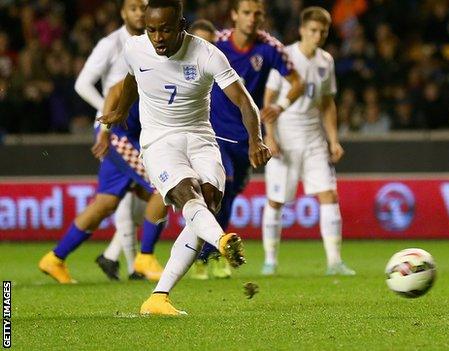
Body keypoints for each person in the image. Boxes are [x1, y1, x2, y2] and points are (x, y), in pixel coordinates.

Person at [99, 0, 270, 315]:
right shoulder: (135, 48)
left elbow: (245, 101)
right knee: (187, 194)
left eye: (165, 29)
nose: (158, 37)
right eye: (152, 30)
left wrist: (255, 140)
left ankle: (158, 297)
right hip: (159, 142)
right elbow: (133, 78)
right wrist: (122, 110)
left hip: (201, 138)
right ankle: (221, 242)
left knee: (210, 201)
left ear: (181, 26)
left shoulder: (207, 54)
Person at [38, 0, 168, 284]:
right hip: (120, 135)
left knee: (105, 204)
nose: (140, 12)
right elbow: (112, 89)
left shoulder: (151, 43)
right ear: (124, 12)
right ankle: (144, 258)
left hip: (131, 135)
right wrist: (107, 125)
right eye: (134, 7)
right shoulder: (133, 48)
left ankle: (55, 258)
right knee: (164, 186)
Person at [191, 0, 303, 280]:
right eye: (246, 13)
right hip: (213, 132)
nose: (252, 19)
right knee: (221, 184)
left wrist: (280, 107)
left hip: (248, 139)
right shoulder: (218, 43)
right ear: (234, 15)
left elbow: (298, 82)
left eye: (257, 14)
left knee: (228, 198)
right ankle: (203, 255)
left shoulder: (271, 48)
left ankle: (211, 254)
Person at [261, 7, 355, 276]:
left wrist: (333, 140)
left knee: (329, 195)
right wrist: (270, 135)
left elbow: (327, 103)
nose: (318, 35)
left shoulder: (326, 60)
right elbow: (268, 99)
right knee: (276, 200)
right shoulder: (285, 57)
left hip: (313, 138)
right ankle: (270, 261)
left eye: (323, 31)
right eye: (313, 30)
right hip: (285, 136)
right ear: (302, 30)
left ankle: (335, 261)